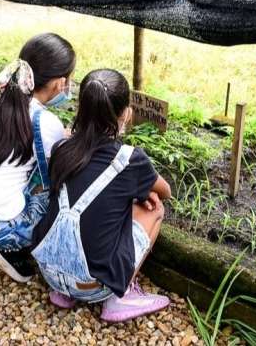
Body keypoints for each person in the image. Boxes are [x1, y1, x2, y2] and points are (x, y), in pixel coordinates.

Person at [32, 69, 172, 323]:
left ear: (78, 110)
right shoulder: (130, 160)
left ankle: (65, 294)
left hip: (49, 272)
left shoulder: (61, 149)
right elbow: (166, 192)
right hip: (93, 285)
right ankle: (121, 296)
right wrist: (141, 192)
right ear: (127, 115)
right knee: (156, 208)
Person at [0, 33, 76, 283]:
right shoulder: (45, 121)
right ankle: (16, 249)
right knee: (58, 187)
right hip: (2, 230)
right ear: (59, 83)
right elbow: (56, 171)